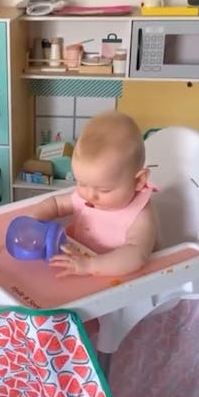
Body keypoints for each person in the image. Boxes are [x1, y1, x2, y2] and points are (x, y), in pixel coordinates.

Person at [31, 110, 157, 277]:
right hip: (79, 265)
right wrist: (33, 222)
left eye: (103, 189)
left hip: (117, 279)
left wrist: (89, 266)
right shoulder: (88, 193)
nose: (89, 195)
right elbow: (55, 204)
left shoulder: (140, 215)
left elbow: (136, 256)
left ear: (138, 181)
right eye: (82, 183)